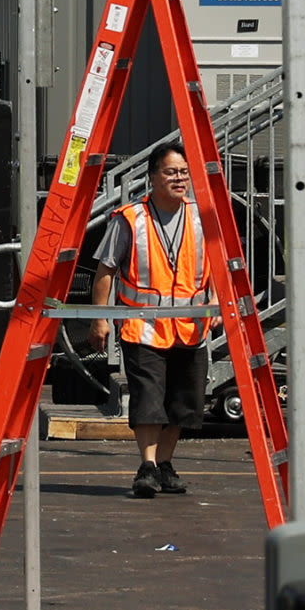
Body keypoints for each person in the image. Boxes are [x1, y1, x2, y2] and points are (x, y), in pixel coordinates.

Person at [78, 150, 215, 497]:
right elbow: (106, 271)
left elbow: (221, 269)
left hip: (191, 327)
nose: (180, 178)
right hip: (144, 327)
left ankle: (165, 465)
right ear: (153, 177)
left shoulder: (205, 218)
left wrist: (214, 307)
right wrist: (100, 320)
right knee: (148, 399)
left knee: (183, 403)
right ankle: (147, 466)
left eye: (184, 172)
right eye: (171, 172)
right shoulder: (130, 219)